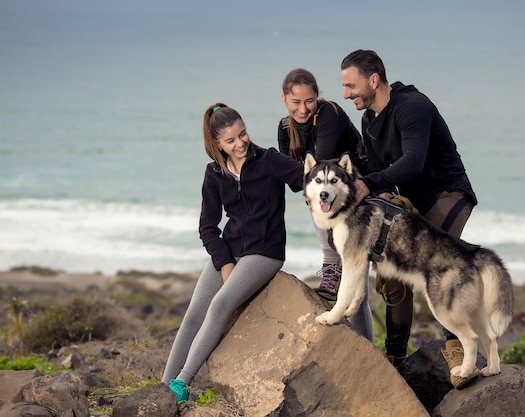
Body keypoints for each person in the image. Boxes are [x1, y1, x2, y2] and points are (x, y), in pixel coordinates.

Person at [340, 49, 479, 389]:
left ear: (374, 80)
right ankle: (395, 358)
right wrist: (380, 195)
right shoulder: (369, 119)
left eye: (350, 85)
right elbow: (377, 171)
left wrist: (369, 184)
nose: (346, 94)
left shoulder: (412, 106)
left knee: (438, 265)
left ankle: (458, 349)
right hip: (413, 204)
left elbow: (413, 161)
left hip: (449, 195)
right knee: (394, 271)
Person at [162, 103, 305, 403]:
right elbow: (207, 227)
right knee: (192, 316)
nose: (240, 143)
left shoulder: (269, 160)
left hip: (264, 251)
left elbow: (309, 177)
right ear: (217, 144)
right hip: (230, 249)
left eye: (243, 134)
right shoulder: (214, 173)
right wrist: (224, 261)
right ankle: (163, 389)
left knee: (220, 305)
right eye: (231, 140)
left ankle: (183, 384)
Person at [278, 68, 374, 341]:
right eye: (295, 102)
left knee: (356, 283)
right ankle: (332, 269)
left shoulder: (329, 113)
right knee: (317, 192)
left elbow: (322, 167)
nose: (303, 109)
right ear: (283, 98)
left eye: (309, 101)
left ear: (317, 97)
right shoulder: (285, 128)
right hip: (327, 199)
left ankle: (331, 268)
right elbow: (296, 182)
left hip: (357, 192)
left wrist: (308, 177)